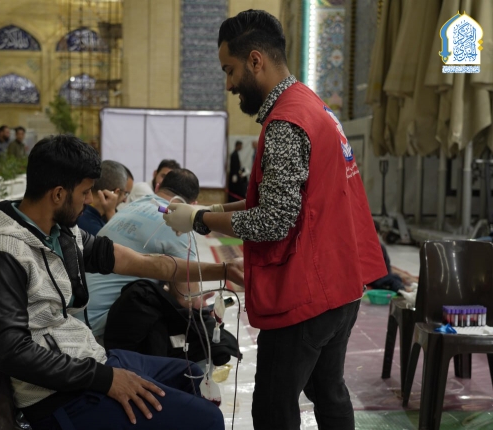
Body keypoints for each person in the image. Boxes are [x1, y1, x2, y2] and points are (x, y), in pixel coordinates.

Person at [162, 10, 386, 430]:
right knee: (328, 390)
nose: (228, 85)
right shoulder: (314, 106)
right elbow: (289, 201)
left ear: (255, 61)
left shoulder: (286, 121)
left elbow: (273, 221)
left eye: (229, 70)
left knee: (272, 407)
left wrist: (200, 219)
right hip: (342, 281)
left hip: (307, 292)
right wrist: (209, 212)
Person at [0, 133, 243, 430]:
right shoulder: (2, 253)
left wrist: (224, 270)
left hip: (87, 361)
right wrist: (105, 379)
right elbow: (13, 354)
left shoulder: (61, 232)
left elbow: (145, 263)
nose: (90, 201)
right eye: (85, 192)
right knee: (208, 420)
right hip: (56, 398)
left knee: (190, 376)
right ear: (58, 194)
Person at [81, 168, 204, 337]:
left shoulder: (131, 206)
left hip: (75, 315)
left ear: (157, 187)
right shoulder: (178, 225)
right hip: (99, 329)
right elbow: (186, 299)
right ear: (193, 205)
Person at [76, 160, 128, 235]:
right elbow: (120, 240)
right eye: (125, 193)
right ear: (116, 192)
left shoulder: (78, 213)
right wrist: (111, 212)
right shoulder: (96, 229)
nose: (125, 200)